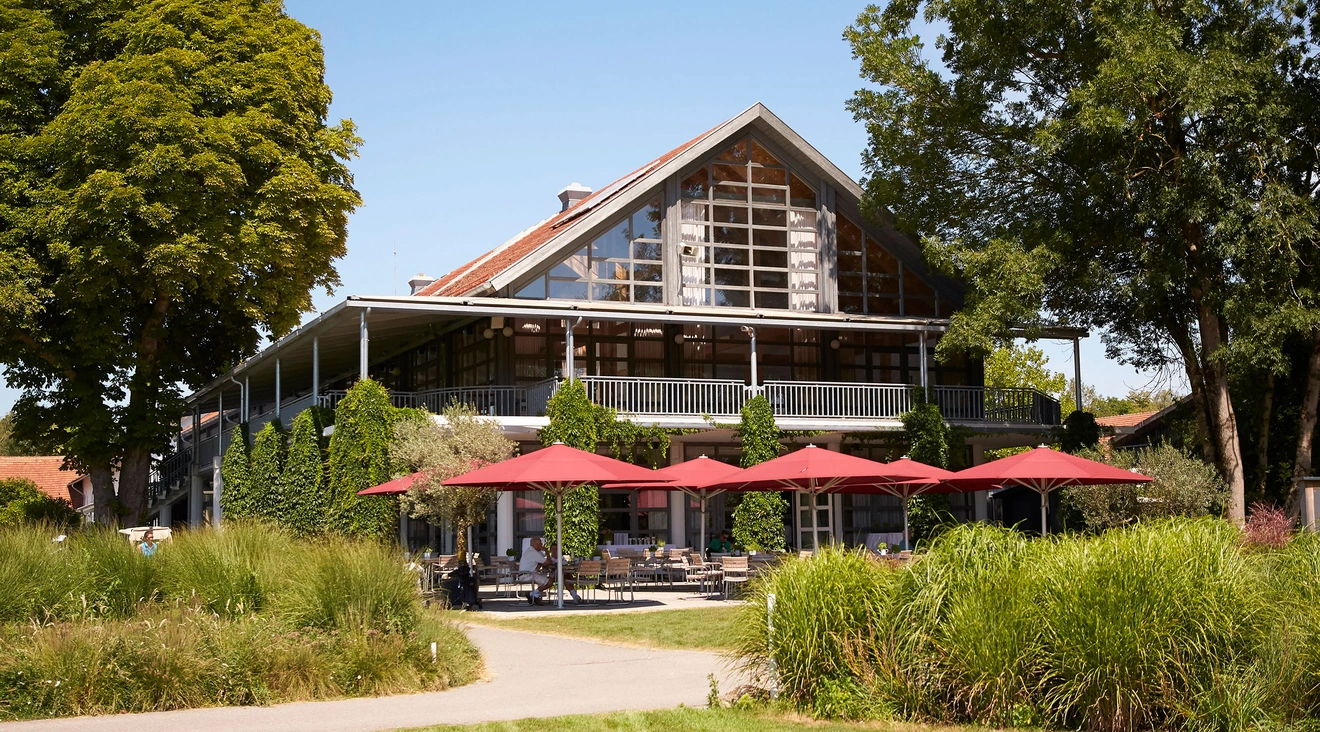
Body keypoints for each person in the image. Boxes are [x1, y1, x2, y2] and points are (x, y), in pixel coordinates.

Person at [518, 537, 553, 605]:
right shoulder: (534, 553)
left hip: (527, 574)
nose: (542, 545)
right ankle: (532, 594)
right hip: (527, 575)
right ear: (537, 544)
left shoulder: (531, 551)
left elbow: (541, 562)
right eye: (540, 543)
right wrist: (546, 551)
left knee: (548, 579)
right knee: (549, 582)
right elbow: (549, 562)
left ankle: (535, 596)